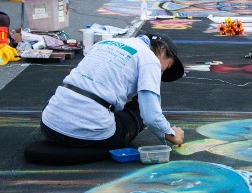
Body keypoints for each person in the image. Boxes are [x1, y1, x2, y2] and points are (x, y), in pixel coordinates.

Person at [40, 34, 185, 149]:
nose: (161, 73)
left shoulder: (105, 43)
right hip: (87, 135)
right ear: (162, 49)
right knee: (139, 107)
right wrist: (172, 135)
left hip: (49, 126)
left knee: (70, 91)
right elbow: (151, 116)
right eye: (166, 66)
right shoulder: (150, 59)